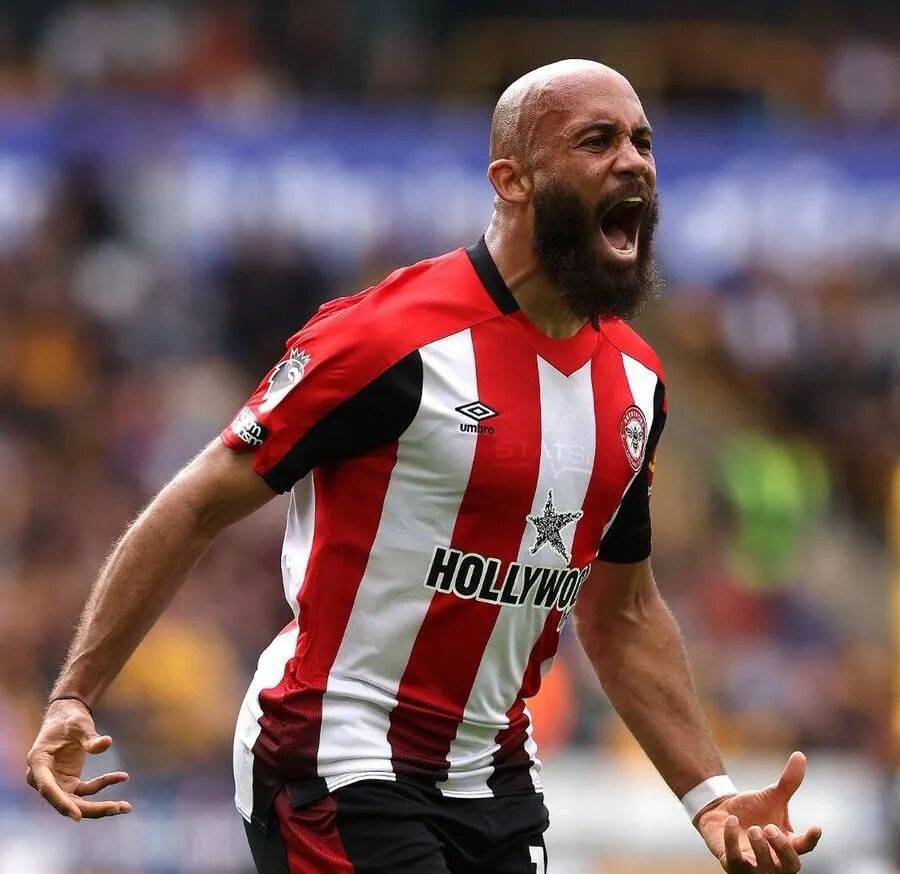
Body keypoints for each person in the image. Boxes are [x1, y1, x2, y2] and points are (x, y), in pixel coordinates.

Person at [26, 60, 822, 874]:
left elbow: (622, 614)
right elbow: (196, 503)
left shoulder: (636, 383)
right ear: (511, 181)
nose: (635, 162)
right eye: (597, 140)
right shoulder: (386, 339)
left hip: (495, 778)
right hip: (335, 757)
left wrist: (710, 797)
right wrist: (74, 694)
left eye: (643, 142)